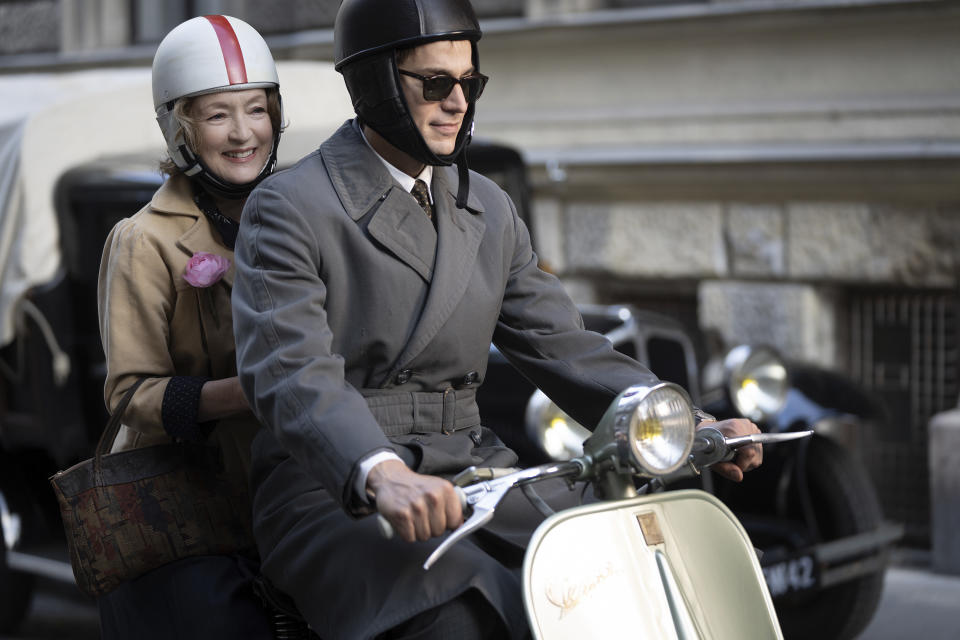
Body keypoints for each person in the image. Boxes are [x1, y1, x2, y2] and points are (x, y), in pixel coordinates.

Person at [231, 0, 762, 637]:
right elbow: (292, 374)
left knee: (622, 582)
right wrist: (379, 473)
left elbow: (563, 343)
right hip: (332, 486)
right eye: (434, 83)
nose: (456, 102)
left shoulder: (485, 204)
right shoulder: (291, 207)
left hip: (475, 469)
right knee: (459, 621)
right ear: (373, 83)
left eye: (468, 83)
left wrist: (678, 420)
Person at [96, 15, 283, 639]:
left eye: (256, 110)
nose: (242, 133)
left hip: (296, 486)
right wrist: (248, 391)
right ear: (179, 128)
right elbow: (130, 395)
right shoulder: (141, 239)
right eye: (215, 115)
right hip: (191, 509)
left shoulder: (304, 218)